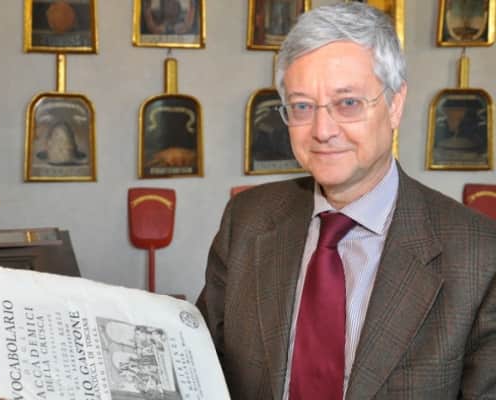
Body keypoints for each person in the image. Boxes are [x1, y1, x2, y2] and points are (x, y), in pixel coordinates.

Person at [196, 2, 496, 400]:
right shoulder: (246, 220)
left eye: (348, 103)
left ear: (395, 105)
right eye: (302, 106)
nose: (322, 130)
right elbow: (202, 368)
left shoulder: (480, 256)